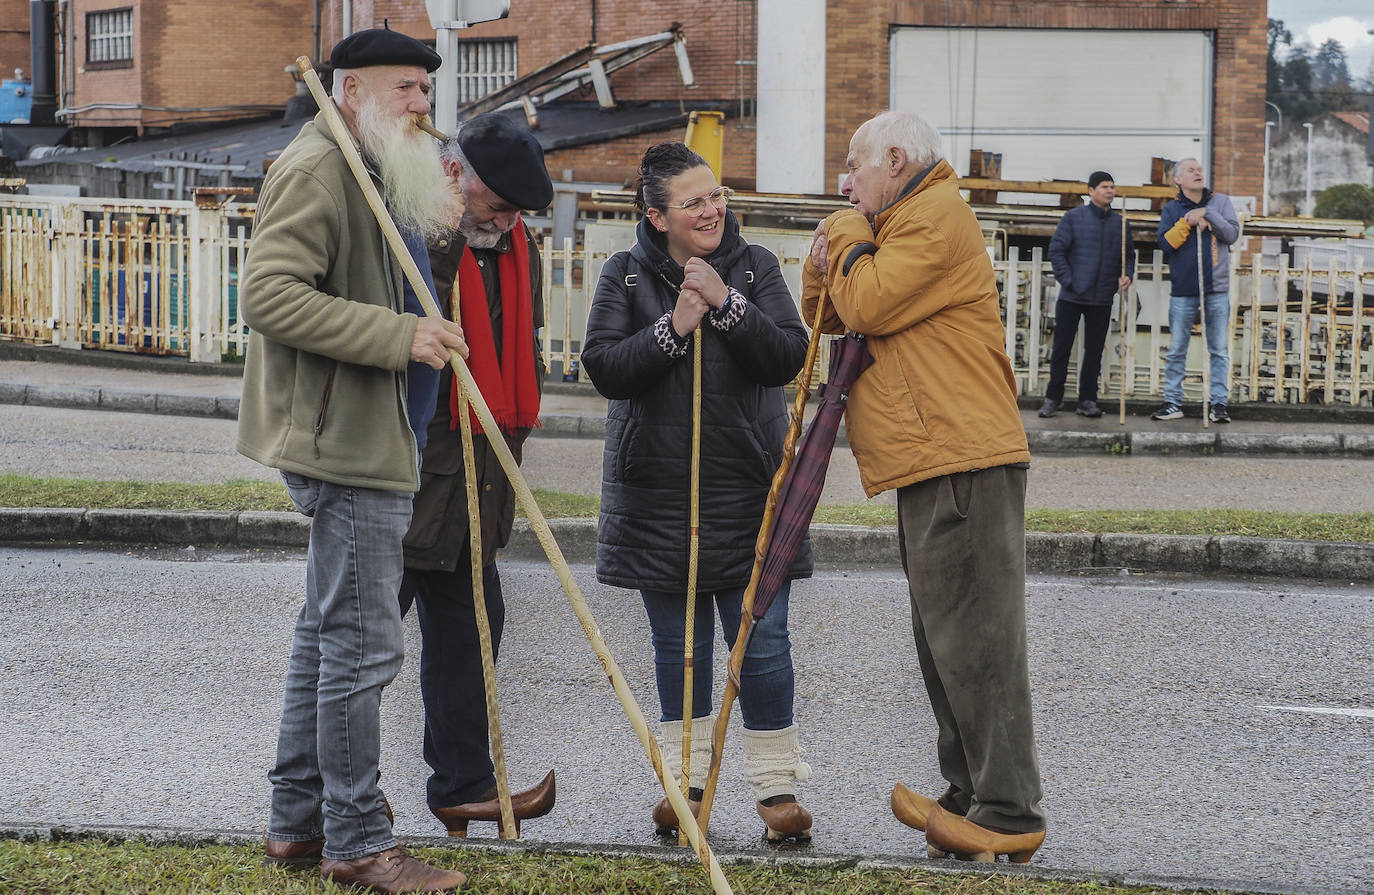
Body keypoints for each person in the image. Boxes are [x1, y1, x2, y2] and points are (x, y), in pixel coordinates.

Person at [237, 27, 469, 894]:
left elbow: (385, 271)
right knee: (362, 647)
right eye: (407, 89)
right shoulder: (318, 166)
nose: (422, 106)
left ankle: (297, 825)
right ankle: (358, 840)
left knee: (322, 635)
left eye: (424, 90)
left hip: (374, 429)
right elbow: (269, 292)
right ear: (355, 89)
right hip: (345, 437)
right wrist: (399, 335)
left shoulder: (370, 160)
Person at [802, 110, 1046, 863]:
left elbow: (868, 303)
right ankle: (969, 793)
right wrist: (827, 259)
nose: (847, 181)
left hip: (961, 453)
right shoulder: (898, 223)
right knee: (945, 637)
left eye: (856, 165)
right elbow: (828, 313)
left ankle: (1007, 810)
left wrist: (841, 233)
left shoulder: (934, 215)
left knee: (978, 640)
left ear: (897, 160)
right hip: (929, 455)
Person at [580, 142, 815, 843]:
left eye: (716, 195)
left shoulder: (757, 265)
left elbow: (786, 354)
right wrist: (673, 328)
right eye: (693, 201)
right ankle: (686, 786)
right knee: (678, 643)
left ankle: (776, 789)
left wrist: (725, 303)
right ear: (657, 217)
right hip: (658, 493)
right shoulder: (622, 275)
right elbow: (606, 367)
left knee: (763, 640)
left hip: (747, 485)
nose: (712, 209)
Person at [397, 113, 556, 838]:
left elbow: (518, 348)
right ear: (456, 177)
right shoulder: (410, 224)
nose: (508, 221)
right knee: (359, 642)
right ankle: (322, 796)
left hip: (477, 471)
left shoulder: (512, 246)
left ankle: (462, 785)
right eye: (497, 206)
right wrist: (448, 231)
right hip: (407, 471)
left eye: (517, 211)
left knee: (476, 626)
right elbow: (400, 320)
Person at [1039, 171, 1135, 419]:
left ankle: (1088, 400)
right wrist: (1069, 281)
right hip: (1072, 295)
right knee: (1062, 347)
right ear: (1091, 191)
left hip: (1102, 296)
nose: (1110, 191)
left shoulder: (1120, 223)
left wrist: (1127, 275)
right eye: (1104, 187)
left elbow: (1129, 257)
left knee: (1094, 351)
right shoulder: (1073, 218)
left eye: (1112, 187)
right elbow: (1057, 251)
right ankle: (1053, 398)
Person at [1150, 157, 1240, 423]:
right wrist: (1187, 222)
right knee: (1177, 347)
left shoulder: (1220, 202)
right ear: (1178, 179)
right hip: (1184, 288)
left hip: (1217, 287)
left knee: (1219, 349)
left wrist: (1208, 214)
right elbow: (1165, 244)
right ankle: (1172, 402)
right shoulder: (1172, 208)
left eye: (1200, 169)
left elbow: (1232, 234)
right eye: (1191, 170)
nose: (1198, 173)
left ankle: (1219, 403)